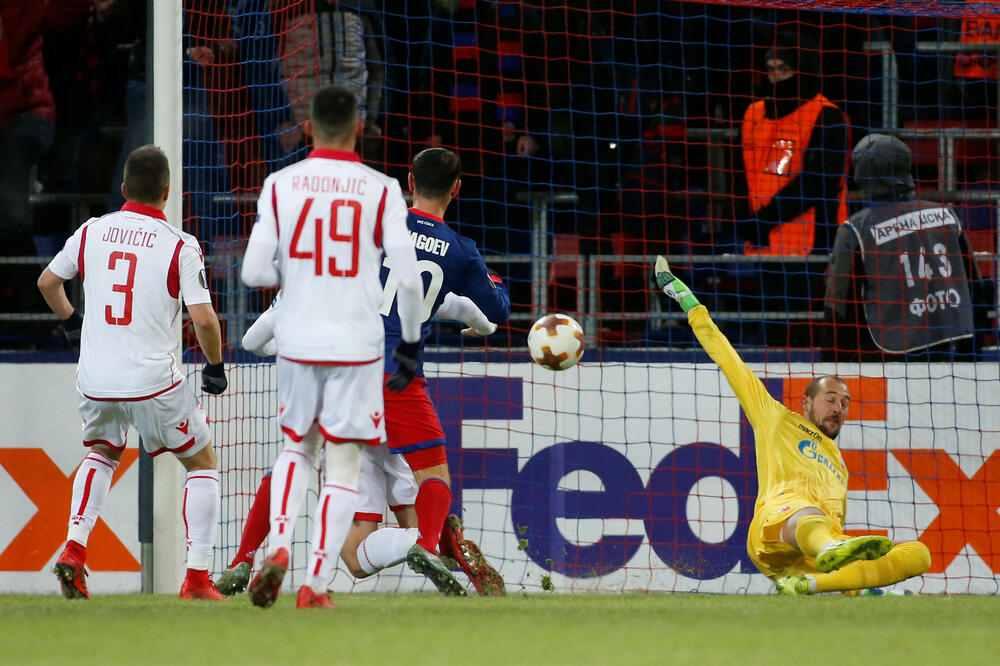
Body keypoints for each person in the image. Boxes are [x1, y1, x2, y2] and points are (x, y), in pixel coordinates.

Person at [240, 84, 423, 609]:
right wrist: (409, 345)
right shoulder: (383, 189)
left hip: (298, 339)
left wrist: (297, 272)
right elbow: (407, 282)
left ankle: (278, 548)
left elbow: (253, 271)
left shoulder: (280, 184)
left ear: (307, 128)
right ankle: (314, 584)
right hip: (358, 345)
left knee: (298, 448)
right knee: (343, 462)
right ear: (359, 129)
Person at [653, 254, 932, 595]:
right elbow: (727, 357)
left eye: (845, 403)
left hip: (809, 555)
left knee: (919, 554)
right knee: (809, 513)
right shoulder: (775, 417)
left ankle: (813, 583)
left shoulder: (839, 465)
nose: (839, 408)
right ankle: (852, 571)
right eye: (830, 399)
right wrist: (688, 300)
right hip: (776, 528)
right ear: (805, 403)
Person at [215, 290, 506, 597]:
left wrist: (285, 345)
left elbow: (251, 342)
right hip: (395, 398)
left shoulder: (303, 278)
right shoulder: (393, 273)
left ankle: (245, 558)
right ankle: (432, 546)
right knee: (425, 523)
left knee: (297, 459)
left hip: (339, 394)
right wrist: (487, 326)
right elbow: (455, 303)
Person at [37, 144, 229, 601]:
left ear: (124, 189)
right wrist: (216, 367)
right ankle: (198, 578)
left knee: (102, 452)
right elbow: (203, 319)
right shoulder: (180, 245)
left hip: (95, 378)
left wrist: (70, 323)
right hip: (151, 382)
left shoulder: (91, 231)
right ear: (167, 193)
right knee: (201, 463)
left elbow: (47, 281)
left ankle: (74, 550)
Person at [823, 133, 993, 361]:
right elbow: (975, 289)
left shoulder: (856, 228)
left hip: (887, 354)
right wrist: (974, 351)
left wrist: (832, 367)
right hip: (953, 350)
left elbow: (838, 309)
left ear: (861, 173)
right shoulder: (946, 215)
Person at [734, 34, 850, 256]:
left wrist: (764, 220)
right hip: (762, 243)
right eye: (770, 70)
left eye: (784, 68)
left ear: (802, 70)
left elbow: (818, 182)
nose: (775, 77)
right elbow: (743, 173)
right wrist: (747, 221)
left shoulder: (826, 116)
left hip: (812, 244)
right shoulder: (754, 114)